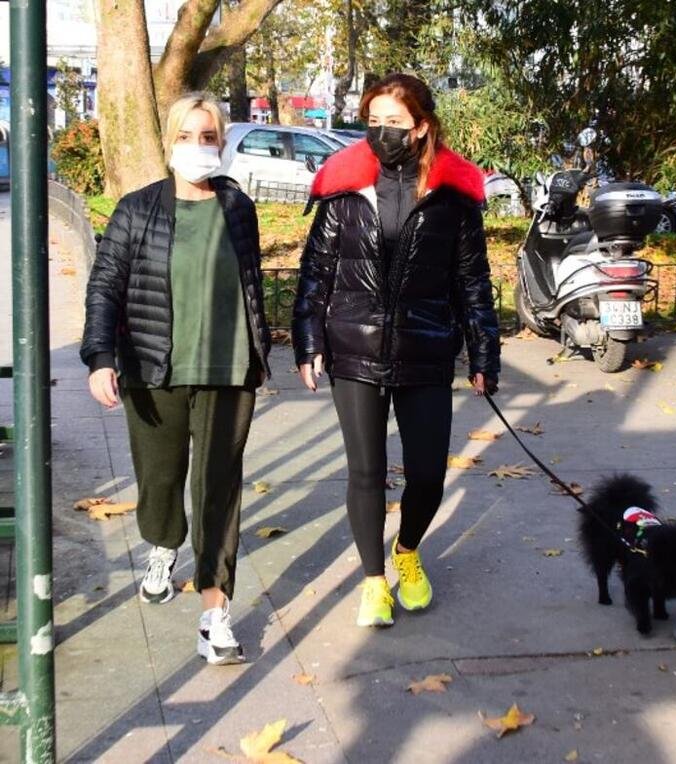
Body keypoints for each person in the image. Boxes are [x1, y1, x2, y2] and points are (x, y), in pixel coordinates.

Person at [292, 73, 500, 628]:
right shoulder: (344, 188)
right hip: (353, 346)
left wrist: (484, 354)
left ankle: (406, 550)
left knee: (428, 475)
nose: (382, 131)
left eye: (394, 122)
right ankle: (373, 580)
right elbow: (316, 271)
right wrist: (309, 340)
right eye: (374, 121)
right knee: (366, 472)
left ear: (422, 126)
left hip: (425, 347)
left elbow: (473, 282)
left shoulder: (453, 197)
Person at [80, 92, 271, 664]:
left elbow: (252, 286)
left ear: (222, 142)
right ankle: (163, 542)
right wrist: (101, 356)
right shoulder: (136, 210)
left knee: (218, 490)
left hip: (227, 372)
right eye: (185, 136)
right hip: (152, 370)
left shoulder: (238, 209)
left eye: (207, 136)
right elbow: (105, 286)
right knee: (161, 479)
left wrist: (261, 350)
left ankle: (215, 615)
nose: (197, 147)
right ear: (168, 142)